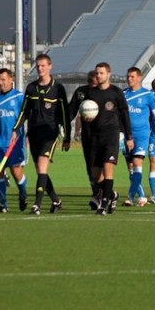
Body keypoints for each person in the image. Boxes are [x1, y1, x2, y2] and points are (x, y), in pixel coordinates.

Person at [11, 53, 70, 215]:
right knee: (40, 171)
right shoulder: (31, 88)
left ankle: (37, 205)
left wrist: (67, 137)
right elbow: (23, 111)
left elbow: (65, 114)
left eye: (43, 65)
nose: (40, 68)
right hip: (34, 134)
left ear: (50, 66)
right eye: (38, 66)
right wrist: (16, 130)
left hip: (50, 134)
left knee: (43, 165)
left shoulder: (58, 88)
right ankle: (56, 201)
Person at [82, 62, 133, 215]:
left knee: (108, 168)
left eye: (102, 73)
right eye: (97, 73)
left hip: (111, 135)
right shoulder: (91, 93)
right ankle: (112, 194)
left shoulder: (116, 92)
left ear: (109, 74)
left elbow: (124, 114)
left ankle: (103, 205)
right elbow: (85, 114)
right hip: (95, 137)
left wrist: (129, 136)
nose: (99, 76)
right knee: (95, 175)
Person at [123, 67, 155, 207]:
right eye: (128, 76)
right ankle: (142, 196)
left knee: (137, 164)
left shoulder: (147, 95)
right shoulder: (122, 94)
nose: (129, 79)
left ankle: (130, 197)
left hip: (142, 136)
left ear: (139, 78)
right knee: (131, 168)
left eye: (132, 76)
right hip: (126, 136)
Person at [0, 68, 27, 213]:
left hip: (15, 142)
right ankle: (3, 205)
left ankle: (23, 193)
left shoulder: (20, 97)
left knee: (16, 172)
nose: (0, 83)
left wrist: (22, 134)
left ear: (11, 80)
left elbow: (25, 117)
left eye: (3, 79)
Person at [68, 69, 101, 207]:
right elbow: (71, 112)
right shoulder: (81, 92)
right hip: (87, 135)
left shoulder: (106, 93)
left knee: (103, 166)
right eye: (90, 83)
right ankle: (97, 193)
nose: (93, 86)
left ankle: (103, 195)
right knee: (90, 167)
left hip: (104, 134)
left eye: (95, 84)